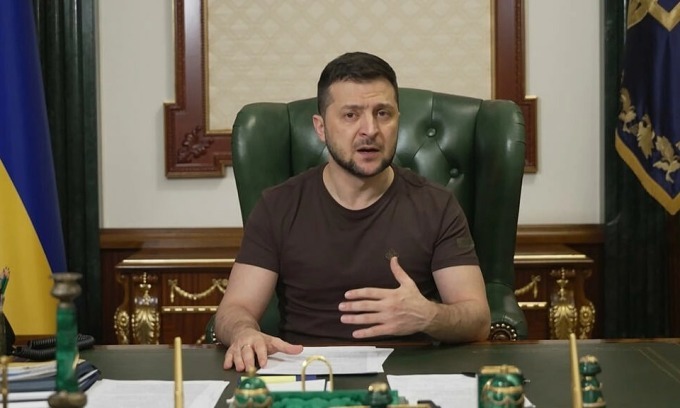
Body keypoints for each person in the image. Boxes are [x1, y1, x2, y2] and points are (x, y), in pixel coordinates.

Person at [215, 51, 490, 372]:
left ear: (398, 121)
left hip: (409, 377)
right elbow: (233, 309)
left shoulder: (437, 205)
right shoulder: (278, 206)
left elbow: (478, 320)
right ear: (320, 127)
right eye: (350, 115)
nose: (370, 129)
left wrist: (428, 315)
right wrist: (244, 332)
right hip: (307, 373)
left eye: (383, 113)